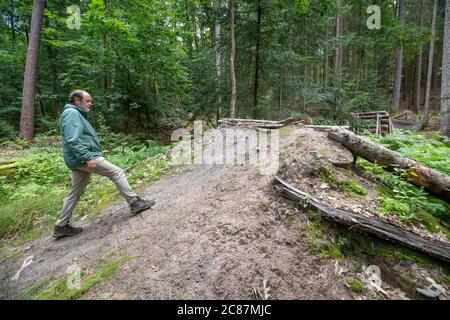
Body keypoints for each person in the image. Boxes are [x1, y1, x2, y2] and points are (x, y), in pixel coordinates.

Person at [53, 90, 155, 239]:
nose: (90, 103)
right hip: (83, 157)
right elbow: (72, 140)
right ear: (77, 100)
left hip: (78, 158)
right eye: (87, 101)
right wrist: (87, 156)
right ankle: (134, 203)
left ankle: (60, 226)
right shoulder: (72, 114)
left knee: (76, 192)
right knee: (117, 172)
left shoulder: (75, 114)